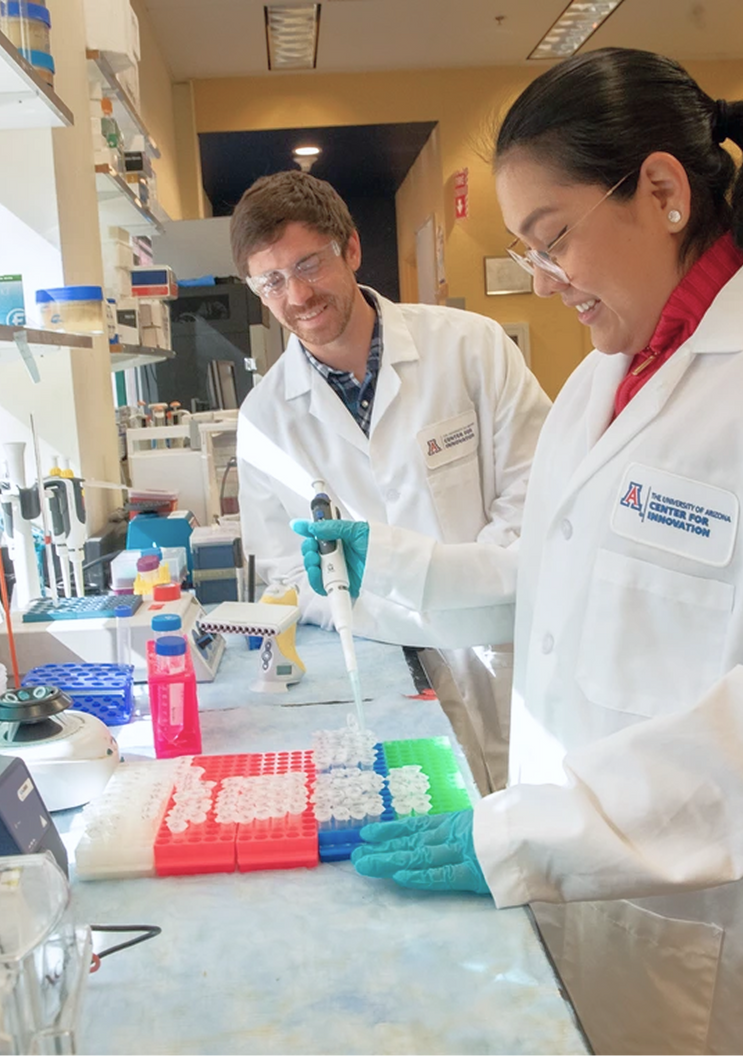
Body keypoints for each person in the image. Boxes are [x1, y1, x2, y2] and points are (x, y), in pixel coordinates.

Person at [295, 48, 743, 1056]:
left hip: (711, 927)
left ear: (661, 189)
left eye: (552, 238)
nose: (544, 279)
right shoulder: (600, 378)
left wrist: (552, 831)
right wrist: (391, 565)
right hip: (580, 896)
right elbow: (550, 579)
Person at [230, 169, 550, 793]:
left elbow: (534, 493)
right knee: (430, 822)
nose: (296, 295)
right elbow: (286, 570)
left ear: (350, 249)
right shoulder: (264, 418)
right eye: (272, 281)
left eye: (309, 265)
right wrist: (390, 608)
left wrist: (443, 581)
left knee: (537, 838)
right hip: (385, 662)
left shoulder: (471, 346)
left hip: (503, 645)